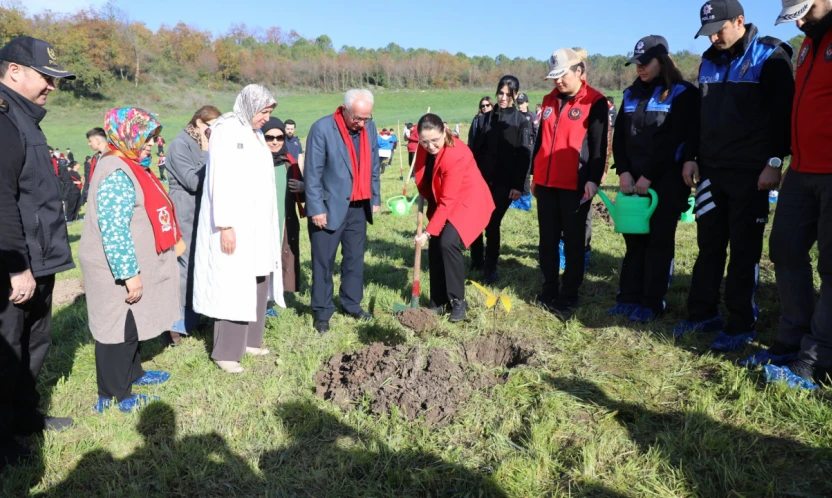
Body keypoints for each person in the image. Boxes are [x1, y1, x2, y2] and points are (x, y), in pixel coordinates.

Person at [674, 0, 795, 352]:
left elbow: (782, 116)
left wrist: (774, 161)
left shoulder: (769, 57)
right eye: (707, 33)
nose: (713, 39)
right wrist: (691, 158)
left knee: (744, 250)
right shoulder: (708, 62)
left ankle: (741, 322)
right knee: (709, 246)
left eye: (718, 31)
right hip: (711, 170)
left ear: (739, 21)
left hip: (752, 173)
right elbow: (700, 117)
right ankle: (702, 313)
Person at [0, 36, 77, 469]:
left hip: (39, 258)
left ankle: (25, 417)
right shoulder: (4, 119)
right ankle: (3, 439)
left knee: (36, 341)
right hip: (16, 263)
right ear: (14, 71)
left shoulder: (26, 117)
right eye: (46, 76)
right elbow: (1, 200)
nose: (52, 85)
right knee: (7, 349)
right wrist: (15, 266)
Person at [79, 107, 180, 413]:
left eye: (153, 137)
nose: (150, 143)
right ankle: (115, 395)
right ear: (128, 135)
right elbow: (113, 228)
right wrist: (129, 273)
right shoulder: (117, 171)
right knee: (117, 327)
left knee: (130, 324)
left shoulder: (128, 163)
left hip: (124, 260)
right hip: (113, 264)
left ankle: (133, 373)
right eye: (146, 137)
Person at [753, 0, 832, 390]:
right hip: (801, 169)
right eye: (793, 17)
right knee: (784, 248)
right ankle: (792, 336)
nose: (799, 22)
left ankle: (818, 360)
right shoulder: (805, 45)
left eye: (806, 12)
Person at [607, 36, 699, 323]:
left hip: (666, 182)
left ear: (663, 61)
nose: (640, 69)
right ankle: (628, 297)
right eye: (636, 64)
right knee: (634, 241)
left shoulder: (683, 94)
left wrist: (649, 175)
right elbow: (620, 137)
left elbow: (675, 140)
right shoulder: (630, 95)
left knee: (659, 241)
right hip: (632, 182)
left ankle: (651, 301)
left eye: (646, 63)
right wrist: (623, 170)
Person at [193, 85, 284, 374]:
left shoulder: (254, 133)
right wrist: (226, 224)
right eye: (264, 112)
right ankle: (226, 352)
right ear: (248, 106)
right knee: (232, 283)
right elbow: (220, 177)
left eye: (269, 113)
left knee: (258, 276)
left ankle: (250, 341)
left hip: (257, 223)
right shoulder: (226, 130)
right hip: (234, 223)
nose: (266, 119)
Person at [532, 48, 610, 315]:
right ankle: (549, 286)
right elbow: (540, 141)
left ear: (579, 71)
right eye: (553, 77)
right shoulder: (547, 100)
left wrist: (593, 180)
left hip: (575, 185)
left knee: (574, 242)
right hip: (545, 183)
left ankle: (569, 291)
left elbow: (599, 147)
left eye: (562, 75)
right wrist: (534, 174)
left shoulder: (595, 101)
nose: (557, 81)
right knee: (547, 240)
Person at [305, 88, 381, 334]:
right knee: (323, 262)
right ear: (345, 110)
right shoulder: (322, 129)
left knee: (354, 260)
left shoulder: (370, 127)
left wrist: (375, 197)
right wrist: (316, 208)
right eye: (357, 118)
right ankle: (322, 311)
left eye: (365, 119)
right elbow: (313, 173)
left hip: (359, 206)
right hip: (328, 206)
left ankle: (351, 303)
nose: (361, 124)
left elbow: (374, 162)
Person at [413, 114, 495, 322]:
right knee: (435, 247)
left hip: (468, 200)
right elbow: (424, 175)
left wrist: (428, 232)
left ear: (444, 132)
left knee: (448, 242)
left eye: (434, 140)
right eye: (425, 141)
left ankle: (458, 301)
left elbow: (449, 200)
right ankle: (438, 302)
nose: (430, 146)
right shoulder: (423, 148)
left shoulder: (454, 154)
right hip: (444, 197)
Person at [165, 105, 222, 344]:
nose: (214, 131)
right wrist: (211, 155)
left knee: (202, 263)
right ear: (199, 122)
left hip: (203, 210)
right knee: (185, 265)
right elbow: (192, 181)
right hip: (185, 209)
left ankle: (195, 317)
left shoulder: (203, 143)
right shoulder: (180, 145)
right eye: (211, 126)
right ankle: (175, 325)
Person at [468, 75, 533, 284]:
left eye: (508, 94)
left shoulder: (521, 121)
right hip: (481, 180)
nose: (503, 98)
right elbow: (474, 150)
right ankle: (476, 259)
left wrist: (518, 186)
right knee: (476, 221)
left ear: (515, 95)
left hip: (505, 182)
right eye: (500, 93)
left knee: (492, 223)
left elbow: (524, 157)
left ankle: (490, 267)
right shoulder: (485, 119)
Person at [263, 117, 306, 297]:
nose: (275, 141)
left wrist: (303, 187)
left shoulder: (288, 162)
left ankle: (272, 298)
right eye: (269, 137)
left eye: (279, 138)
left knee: (280, 257)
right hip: (262, 223)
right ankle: (260, 298)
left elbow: (301, 195)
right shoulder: (253, 162)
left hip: (284, 221)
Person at [84, 127, 108, 205]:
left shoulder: (113, 155)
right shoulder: (96, 157)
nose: (89, 144)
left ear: (98, 141)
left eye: (90, 141)